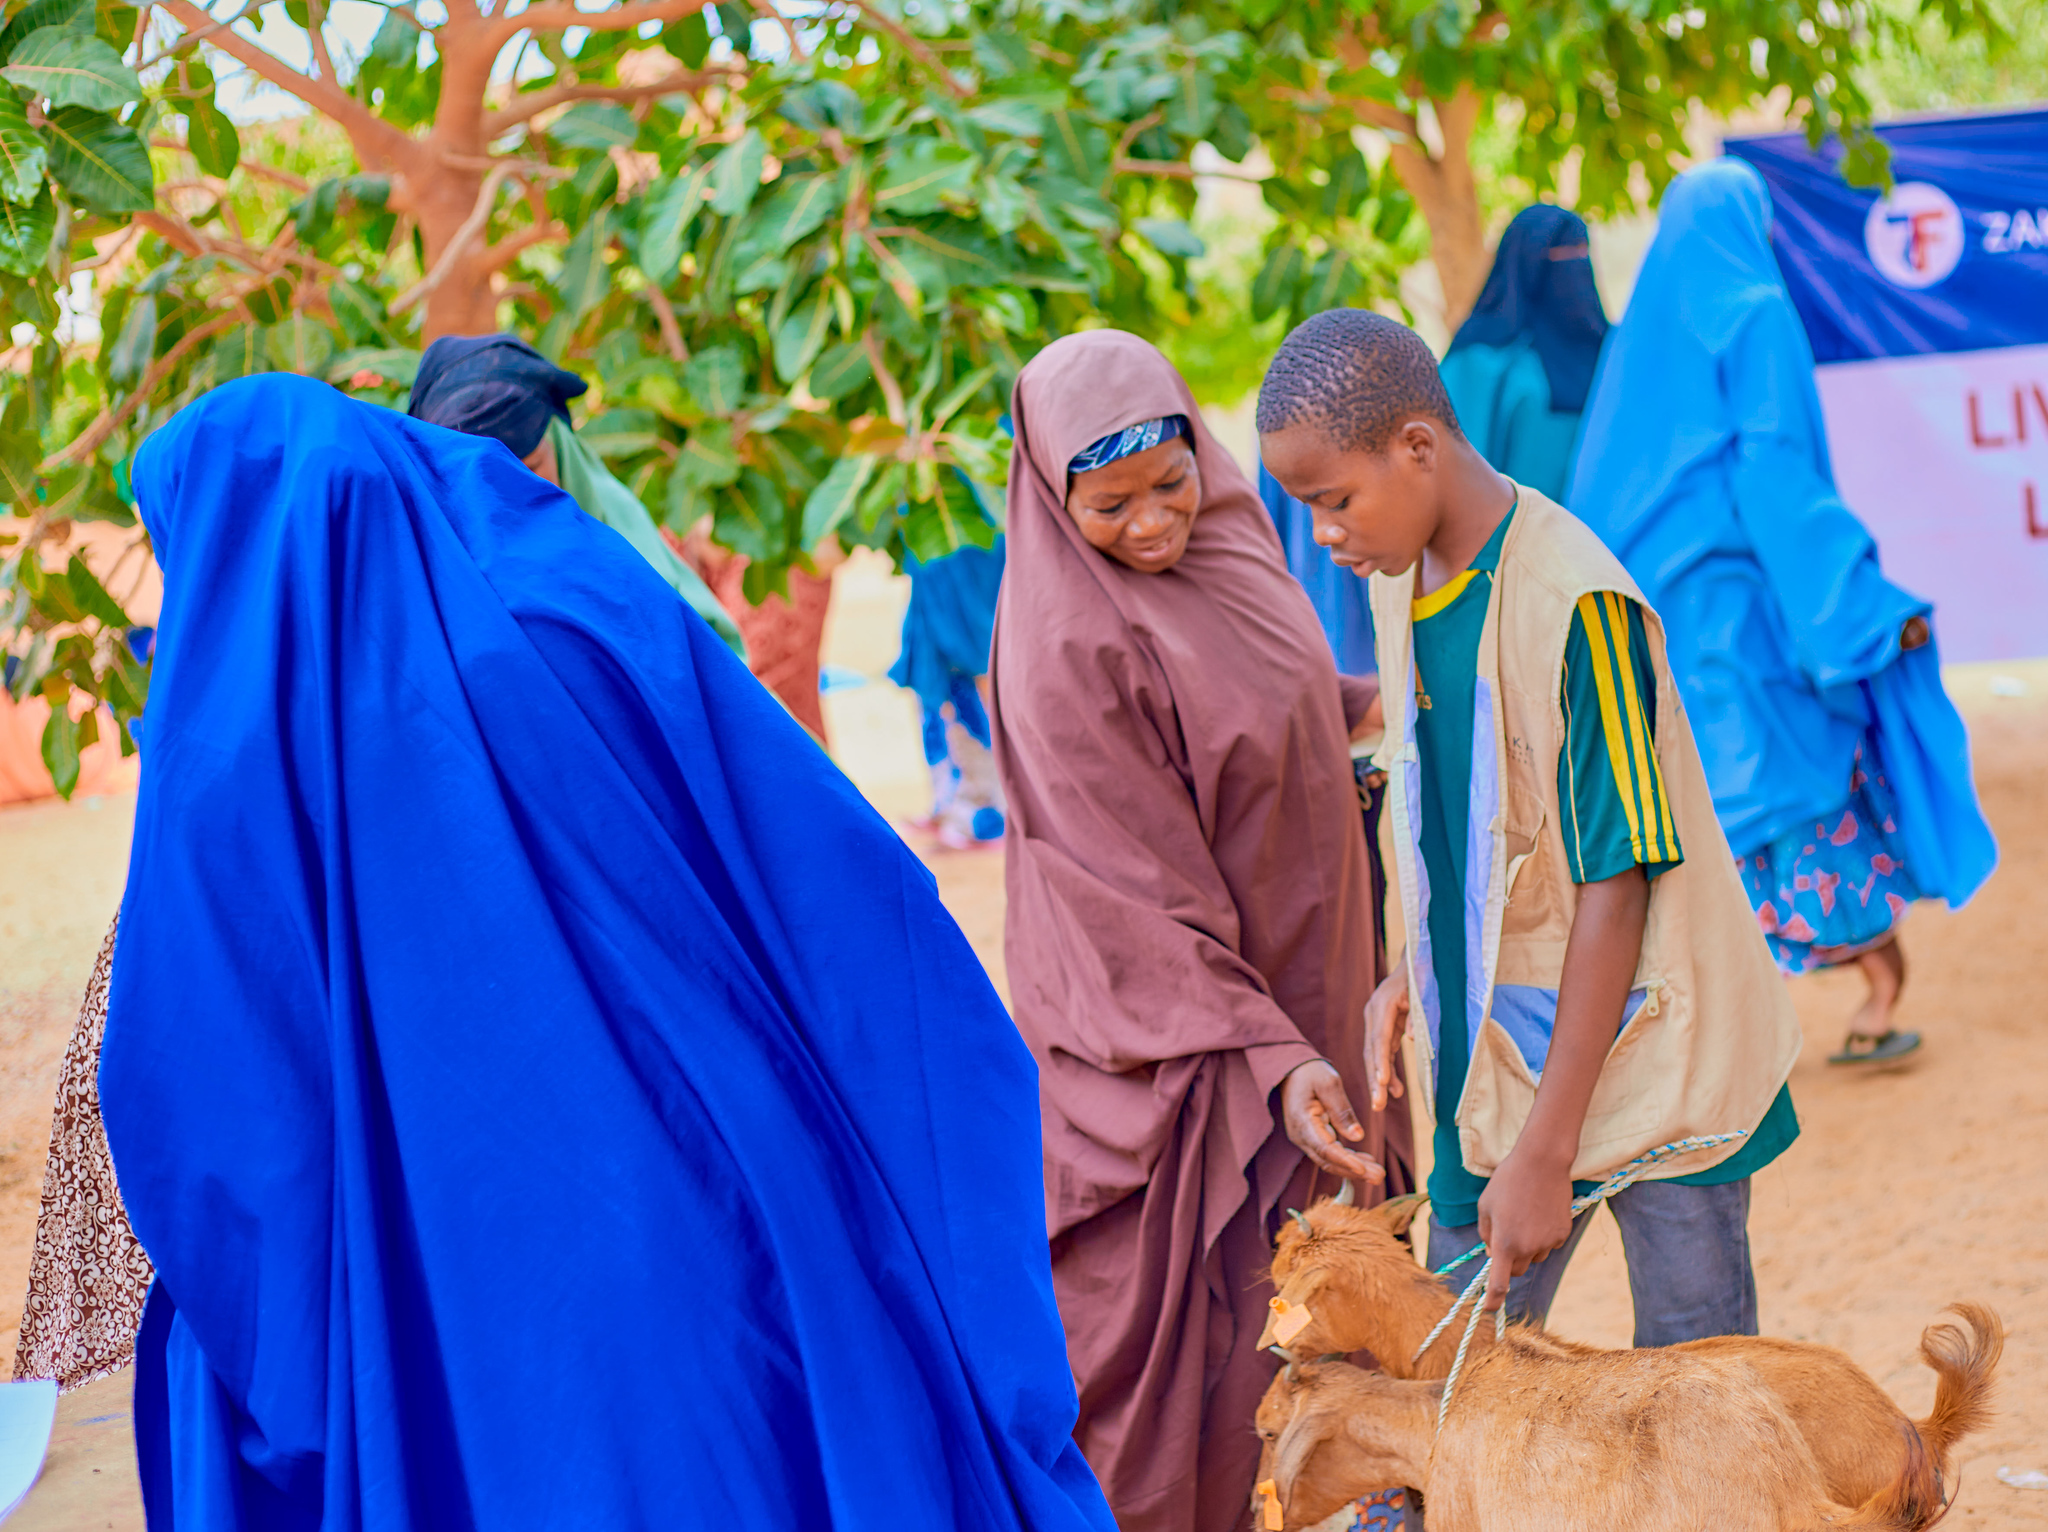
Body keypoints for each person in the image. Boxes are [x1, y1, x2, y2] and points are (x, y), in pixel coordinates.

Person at [88, 373, 1120, 1532]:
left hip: (460, 1306)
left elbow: (196, 1106)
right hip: (732, 1202)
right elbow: (820, 861)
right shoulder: (560, 596)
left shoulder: (225, 773)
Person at [1258, 307, 1802, 1344]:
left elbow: (1615, 878)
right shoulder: (1400, 577)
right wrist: (1406, 974)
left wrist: (1547, 1152)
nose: (1323, 537)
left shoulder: (1575, 602)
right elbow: (1464, 838)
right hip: (1488, 1059)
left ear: (1415, 446)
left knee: (1695, 1388)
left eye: (1332, 502)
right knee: (1450, 1383)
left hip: (1648, 1063)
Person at [991, 330, 1414, 1532]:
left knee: (1344, 1288)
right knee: (1204, 1340)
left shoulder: (1235, 539)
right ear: (1050, 490)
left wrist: (1369, 705)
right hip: (1191, 1044)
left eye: (1169, 483)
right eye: (1108, 504)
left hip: (1314, 978)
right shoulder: (1064, 649)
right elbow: (1123, 900)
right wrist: (1269, 1057)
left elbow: (1259, 701)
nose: (1150, 523)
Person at [1568, 160, 1997, 1064]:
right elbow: (1777, 473)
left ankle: (1741, 1023)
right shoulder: (1757, 311)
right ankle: (1877, 988)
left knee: (1712, 810)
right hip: (1747, 609)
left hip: (1656, 620)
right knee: (1795, 780)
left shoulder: (1637, 335)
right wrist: (1858, 607)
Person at [405, 333, 747, 660]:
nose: (519, 498)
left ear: (561, 446)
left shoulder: (620, 539)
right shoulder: (438, 597)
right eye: (489, 491)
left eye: (534, 468)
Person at [1438, 203, 1609, 502]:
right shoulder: (1481, 363)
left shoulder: (1610, 354)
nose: (1575, 266)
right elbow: (1451, 475)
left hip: (1607, 541)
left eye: (1581, 253)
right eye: (1560, 255)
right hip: (1511, 540)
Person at [889, 534, 1007, 850]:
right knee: (940, 663)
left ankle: (985, 808)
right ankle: (954, 798)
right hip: (933, 541)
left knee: (975, 655)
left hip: (972, 542)